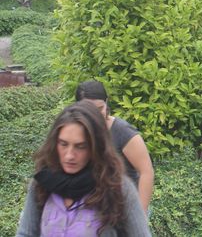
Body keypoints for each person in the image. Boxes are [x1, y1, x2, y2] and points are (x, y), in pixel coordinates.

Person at [16, 101, 151, 236]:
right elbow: (25, 233)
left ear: (96, 147)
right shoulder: (42, 184)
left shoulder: (117, 188)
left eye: (80, 146)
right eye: (63, 144)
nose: (69, 156)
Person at [75, 80, 154, 213]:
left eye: (100, 108)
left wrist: (141, 214)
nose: (95, 114)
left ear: (106, 103)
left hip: (126, 209)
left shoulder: (123, 132)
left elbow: (146, 171)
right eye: (89, 110)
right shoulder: (76, 132)